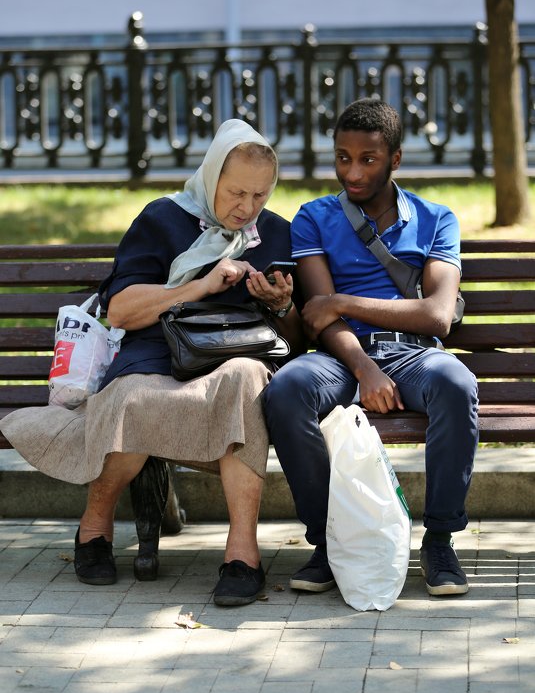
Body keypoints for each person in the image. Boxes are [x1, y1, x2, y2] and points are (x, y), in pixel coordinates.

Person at [0, 118, 303, 606]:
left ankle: (243, 553)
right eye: (235, 192)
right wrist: (201, 285)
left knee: (248, 380)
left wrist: (281, 304)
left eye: (260, 196)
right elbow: (121, 309)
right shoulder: (163, 218)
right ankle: (94, 527)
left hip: (233, 355)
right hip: (155, 350)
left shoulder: (274, 234)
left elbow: (297, 337)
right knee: (133, 395)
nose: (246, 208)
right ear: (211, 177)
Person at [263, 98, 479, 598]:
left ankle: (440, 541)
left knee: (456, 382)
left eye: (367, 159)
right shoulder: (313, 217)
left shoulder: (436, 218)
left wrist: (342, 299)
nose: (352, 171)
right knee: (288, 388)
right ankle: (327, 542)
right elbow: (317, 315)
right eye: (342, 157)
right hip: (340, 357)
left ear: (395, 160)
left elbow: (437, 316)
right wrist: (362, 368)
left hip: (414, 354)